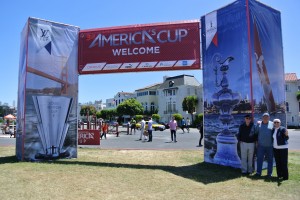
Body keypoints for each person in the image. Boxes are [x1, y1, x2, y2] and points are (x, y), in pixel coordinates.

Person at [255, 113, 274, 178]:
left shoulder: (272, 124)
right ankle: (258, 172)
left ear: (269, 117)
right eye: (264, 117)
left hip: (270, 146)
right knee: (259, 159)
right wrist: (256, 142)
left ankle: (269, 173)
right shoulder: (259, 124)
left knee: (270, 160)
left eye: (267, 117)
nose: (265, 118)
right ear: (262, 117)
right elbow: (256, 133)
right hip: (261, 146)